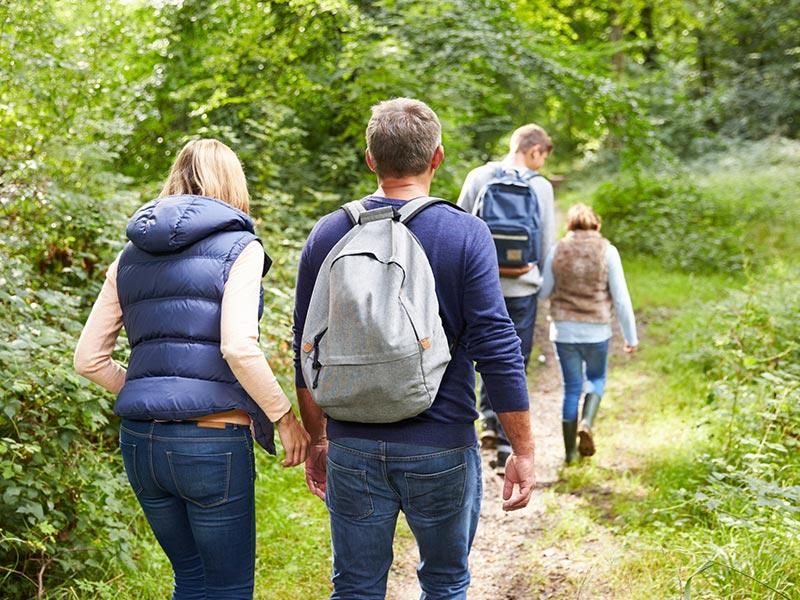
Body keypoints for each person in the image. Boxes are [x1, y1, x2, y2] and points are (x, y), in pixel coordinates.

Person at [292, 98, 535, 600]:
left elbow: (306, 346)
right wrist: (523, 450)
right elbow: (496, 347)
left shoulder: (329, 233)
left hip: (352, 445)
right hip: (441, 443)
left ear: (370, 159)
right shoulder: (464, 233)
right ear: (437, 157)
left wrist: (318, 439)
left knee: (355, 588)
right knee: (444, 584)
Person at [74, 138, 310, 599]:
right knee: (227, 588)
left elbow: (88, 359)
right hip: (211, 443)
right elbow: (238, 347)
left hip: (141, 443)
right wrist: (284, 418)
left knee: (191, 579)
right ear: (233, 183)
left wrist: (148, 391)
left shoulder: (128, 256)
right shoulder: (241, 248)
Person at [457, 124, 555, 474]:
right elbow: (545, 243)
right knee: (514, 361)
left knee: (478, 355)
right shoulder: (541, 187)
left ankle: (486, 420)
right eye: (543, 156)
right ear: (534, 151)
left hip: (481, 287)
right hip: (522, 287)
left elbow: (459, 227)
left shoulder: (478, 176)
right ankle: (503, 446)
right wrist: (541, 283)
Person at [539, 203, 638, 464]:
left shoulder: (557, 250)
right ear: (596, 224)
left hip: (564, 331)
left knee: (571, 389)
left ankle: (570, 455)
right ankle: (587, 422)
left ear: (570, 225)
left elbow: (544, 291)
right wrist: (631, 337)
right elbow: (621, 299)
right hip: (597, 331)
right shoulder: (608, 251)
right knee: (596, 379)